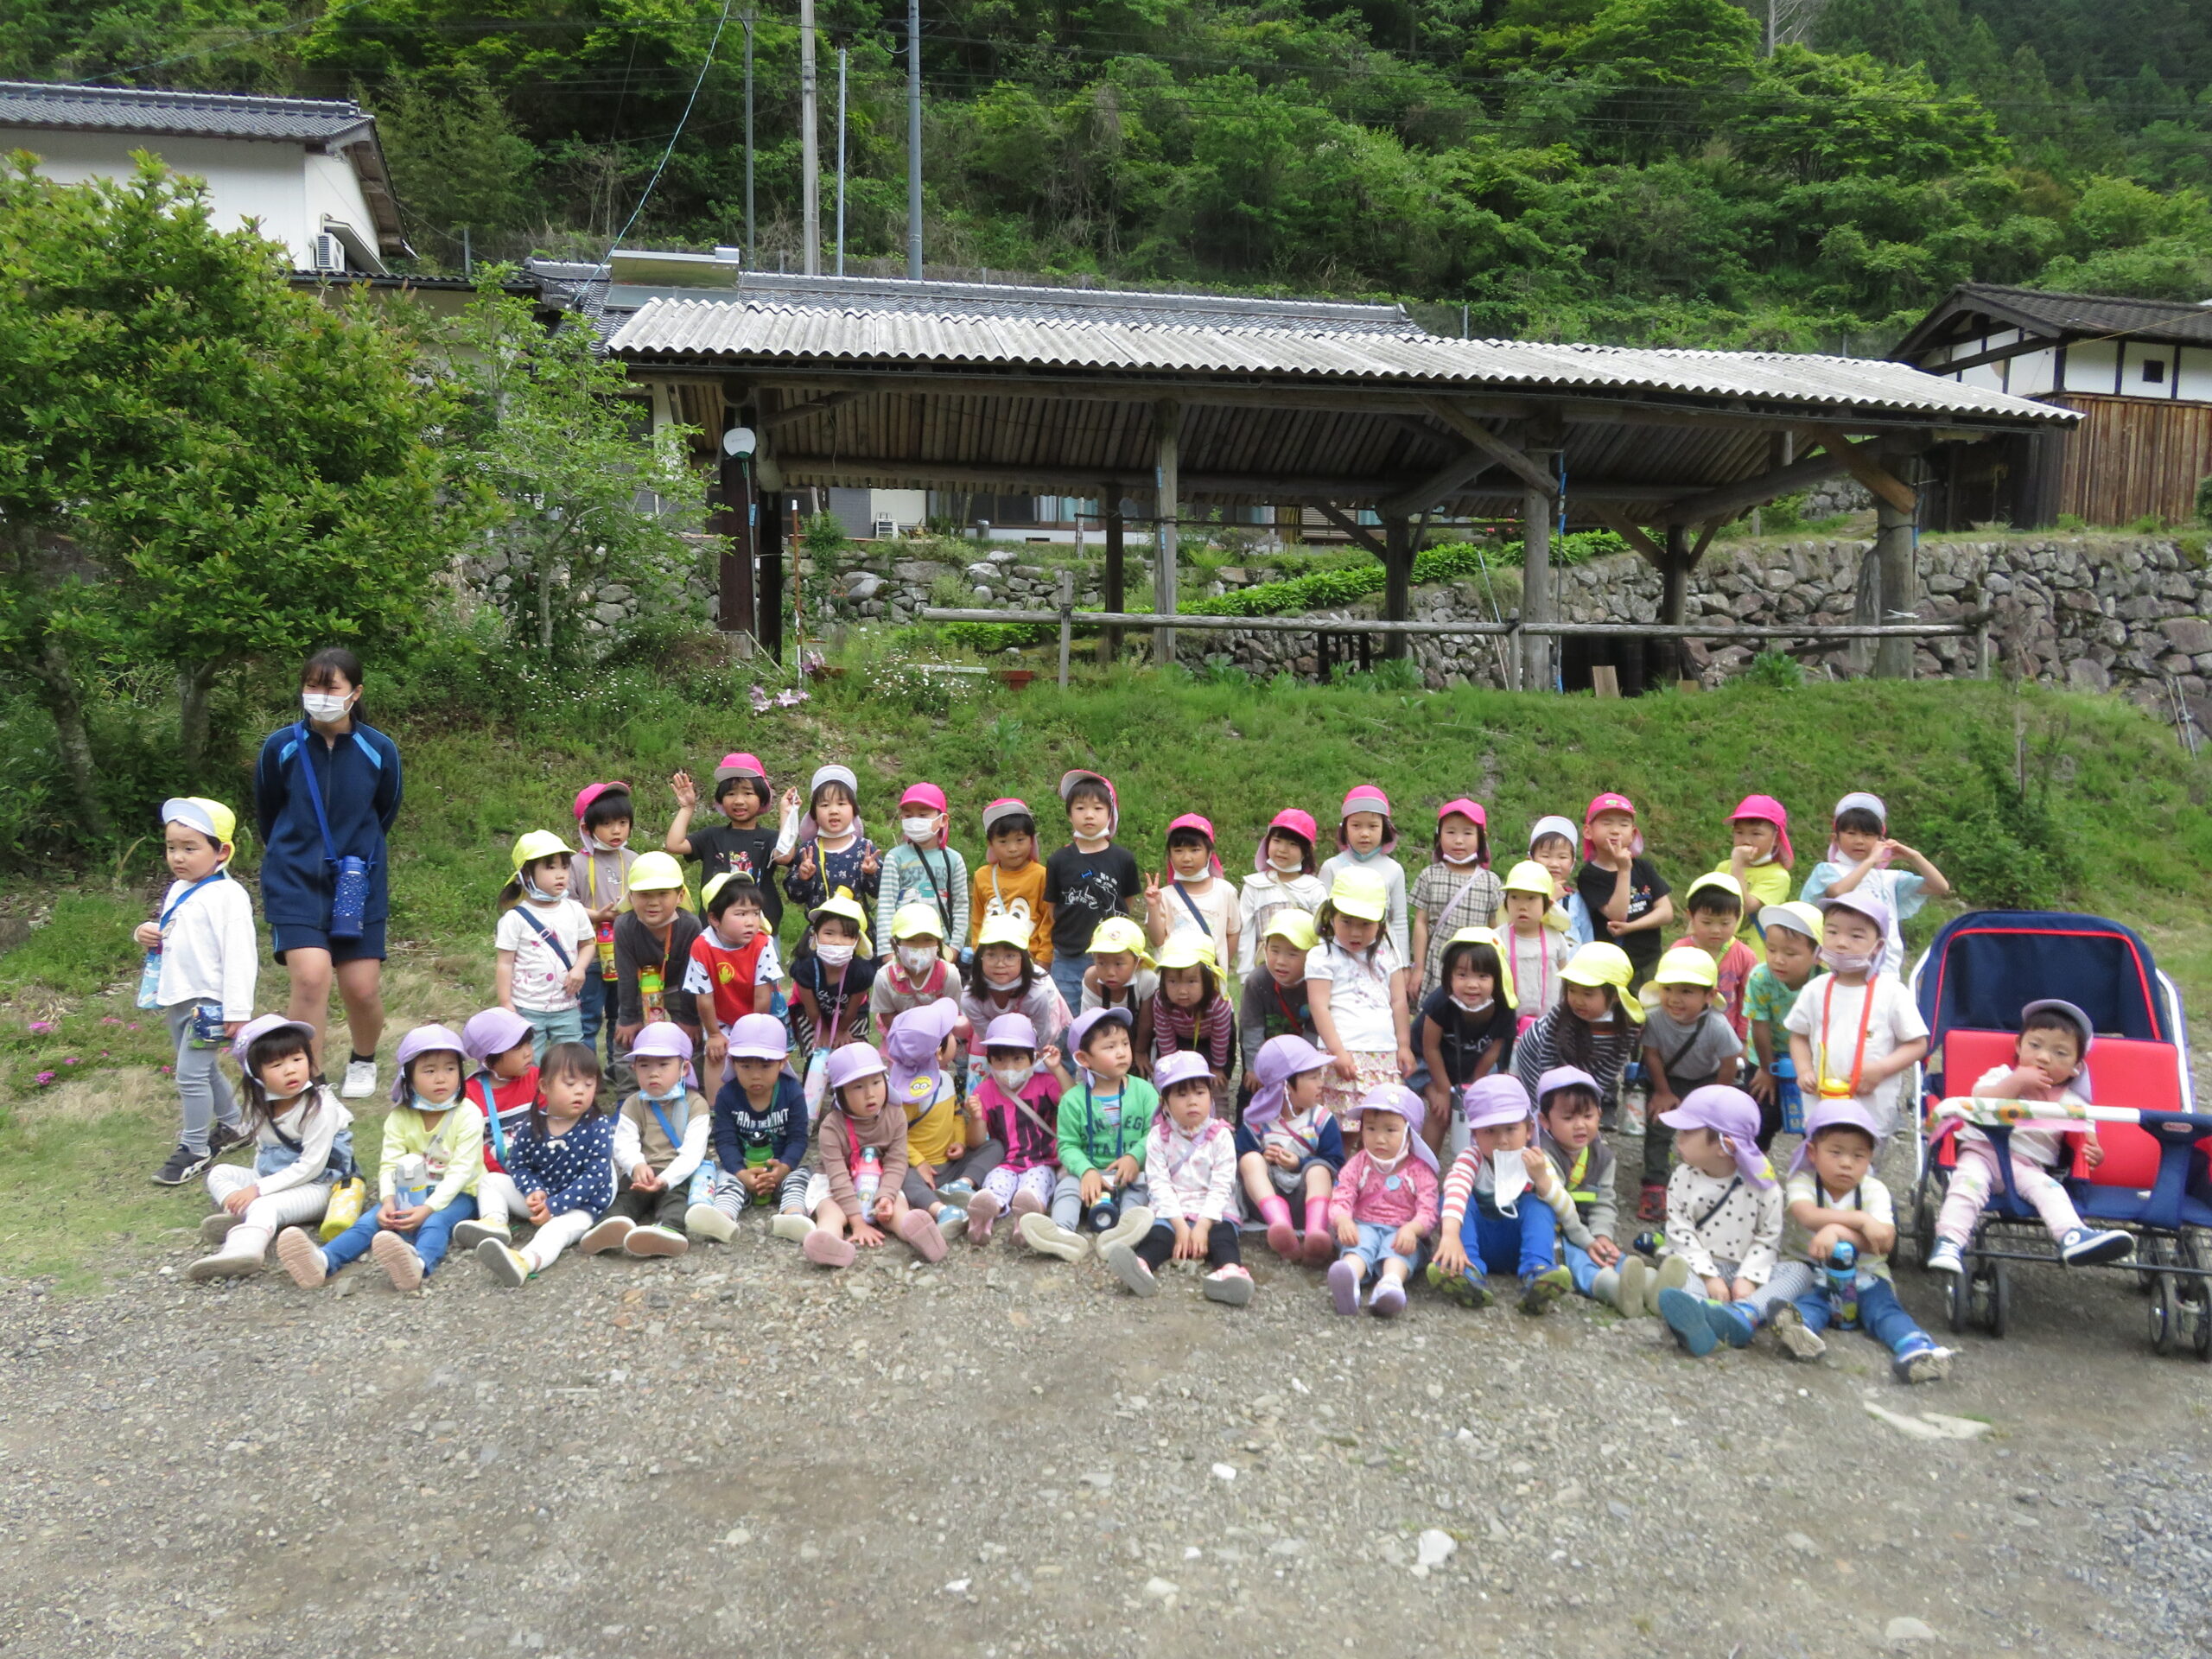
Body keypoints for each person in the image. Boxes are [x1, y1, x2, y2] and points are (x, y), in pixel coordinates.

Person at [1692, 1097, 1954, 1382]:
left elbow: (1884, 1242)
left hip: (1866, 1276)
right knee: (1806, 1306)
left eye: (1858, 1156)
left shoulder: (1873, 1190)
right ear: (1813, 1152)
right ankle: (1800, 1334)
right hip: (1810, 1273)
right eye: (1836, 1152)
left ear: (1870, 1158)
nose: (1846, 1163)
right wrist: (1861, 1222)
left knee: (1885, 1312)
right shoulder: (1802, 1180)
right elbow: (1807, 1215)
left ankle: (1917, 1348)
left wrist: (1838, 1232)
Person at [253, 646, 401, 1099]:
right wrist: (296, 851)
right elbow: (267, 810)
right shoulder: (281, 746)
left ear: (354, 693)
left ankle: (363, 1058)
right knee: (311, 977)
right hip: (294, 878)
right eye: (311, 686)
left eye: (330, 687)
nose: (319, 695)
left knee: (360, 989)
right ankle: (309, 1078)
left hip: (358, 880)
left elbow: (386, 810)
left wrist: (356, 855)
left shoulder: (378, 750)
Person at [1927, 999, 2133, 1273]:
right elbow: (1980, 1100)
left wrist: (2095, 1154)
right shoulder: (2000, 1076)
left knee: (2053, 1192)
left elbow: (2088, 1140)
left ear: (2076, 1067)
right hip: (1981, 1153)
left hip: (2028, 1166)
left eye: (2060, 1053)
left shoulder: (2074, 1103)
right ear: (2018, 1047)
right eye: (2035, 1046)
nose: (2044, 1057)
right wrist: (2018, 1082)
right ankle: (1950, 1242)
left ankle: (2072, 1236)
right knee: (1966, 1187)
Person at [276, 1023, 482, 1292]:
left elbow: (461, 1171)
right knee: (369, 1221)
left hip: (461, 1192)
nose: (441, 1078)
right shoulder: (400, 1116)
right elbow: (389, 1164)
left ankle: (418, 1264)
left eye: (450, 1069)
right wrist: (387, 1200)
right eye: (429, 1070)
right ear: (409, 1076)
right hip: (412, 1188)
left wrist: (427, 1208)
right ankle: (323, 1260)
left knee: (435, 1223)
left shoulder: (468, 1114)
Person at [138, 797, 256, 1185]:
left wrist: (237, 1010)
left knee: (189, 1074)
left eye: (190, 848)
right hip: (178, 995)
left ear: (221, 851)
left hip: (212, 1001)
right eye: (172, 847)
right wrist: (145, 933)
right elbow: (177, 935)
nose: (178, 857)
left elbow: (241, 956)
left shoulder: (229, 896)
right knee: (200, 1070)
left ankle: (195, 1148)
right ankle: (236, 1125)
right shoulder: (178, 889)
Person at [189, 1015, 353, 1280]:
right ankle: (245, 1217)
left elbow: (312, 1166)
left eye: (297, 1060)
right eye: (277, 1064)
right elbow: (263, 1149)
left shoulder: (320, 1107)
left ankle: (244, 1251)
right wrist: (254, 1185)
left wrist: (258, 1190)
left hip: (321, 1186)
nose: (290, 1070)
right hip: (275, 1178)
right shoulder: (260, 1105)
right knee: (219, 1173)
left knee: (265, 1204)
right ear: (256, 1074)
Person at [1101, 1050, 1254, 1306]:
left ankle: (1230, 1272)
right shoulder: (1158, 1137)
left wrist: (1203, 1225)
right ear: (1165, 1102)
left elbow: (1222, 1185)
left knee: (1223, 1236)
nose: (1192, 1101)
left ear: (1210, 1095)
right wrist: (1181, 1226)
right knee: (1160, 1235)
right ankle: (1141, 1266)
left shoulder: (1221, 1136)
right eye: (1181, 1095)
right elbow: (1158, 1184)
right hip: (1173, 1208)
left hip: (1213, 1209)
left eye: (1200, 1092)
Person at [1783, 893, 1929, 1141]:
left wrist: (1882, 1069)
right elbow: (1798, 1035)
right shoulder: (1815, 989)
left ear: (1878, 947)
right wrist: (1804, 1069)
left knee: (1862, 1169)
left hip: (1870, 1107)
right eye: (1832, 932)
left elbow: (1918, 1044)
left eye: (1856, 936)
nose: (1841, 943)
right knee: (1823, 1161)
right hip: (1821, 1103)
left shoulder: (1892, 992)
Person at [1649, 1085, 1783, 1356]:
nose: (1679, 1138)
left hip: (1744, 1270)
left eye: (1687, 1132)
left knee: (1798, 1272)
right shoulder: (1682, 1177)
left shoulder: (1765, 1187)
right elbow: (1680, 1232)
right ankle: (1700, 1317)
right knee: (1677, 1268)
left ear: (1725, 1145)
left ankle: (1746, 1312)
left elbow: (1769, 1238)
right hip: (1698, 1266)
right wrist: (1709, 1277)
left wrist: (1747, 1278)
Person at [474, 1042, 619, 1287]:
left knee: (554, 1232)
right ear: (544, 1087)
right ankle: (495, 1223)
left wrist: (556, 1206)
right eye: (570, 1084)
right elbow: (518, 1164)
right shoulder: (532, 1126)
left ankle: (524, 1262)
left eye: (589, 1084)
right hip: (544, 1197)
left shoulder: (598, 1125)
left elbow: (594, 1178)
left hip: (582, 1205)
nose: (580, 1091)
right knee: (490, 1181)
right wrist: (533, 1190)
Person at [1018, 1006, 1156, 1260]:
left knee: (1141, 1190)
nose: (1122, 1052)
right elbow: (1067, 1146)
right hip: (1087, 1175)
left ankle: (1125, 1233)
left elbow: (1156, 1134)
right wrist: (1086, 1171)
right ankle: (1062, 1233)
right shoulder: (1073, 1100)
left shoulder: (1145, 1092)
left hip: (1128, 1173)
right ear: (1083, 1059)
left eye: (1125, 1043)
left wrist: (1135, 1157)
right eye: (1110, 1047)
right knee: (1067, 1188)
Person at [1431, 1075, 1573, 1314]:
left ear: (1529, 1130)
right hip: (1477, 1243)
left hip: (1519, 1247)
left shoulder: (1536, 1160)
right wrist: (1450, 1235)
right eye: (1490, 1131)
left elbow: (1567, 1211)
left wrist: (1542, 1181)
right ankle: (1466, 1271)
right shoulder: (1471, 1158)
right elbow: (1455, 1186)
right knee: (1451, 1199)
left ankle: (1538, 1272)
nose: (1502, 1140)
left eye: (1511, 1128)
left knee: (1539, 1204)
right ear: (1475, 1135)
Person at [799, 1042, 948, 1267]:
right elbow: (838, 1177)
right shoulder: (831, 1127)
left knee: (895, 1209)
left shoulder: (895, 1114)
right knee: (831, 1212)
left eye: (877, 1082)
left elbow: (897, 1160)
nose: (870, 1093)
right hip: (838, 1185)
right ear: (840, 1093)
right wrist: (857, 1222)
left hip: (879, 1179)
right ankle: (827, 1242)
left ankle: (916, 1232)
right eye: (857, 1087)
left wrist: (886, 1196)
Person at [584, 1021, 715, 1257]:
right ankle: (609, 1228)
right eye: (644, 1065)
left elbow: (693, 1154)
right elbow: (624, 1143)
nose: (653, 1073)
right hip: (642, 1174)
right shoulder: (634, 1103)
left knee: (676, 1201)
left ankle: (669, 1231)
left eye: (664, 1065)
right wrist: (636, 1165)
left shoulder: (696, 1105)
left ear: (684, 1068)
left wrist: (664, 1179)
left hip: (677, 1174)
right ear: (634, 1068)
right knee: (625, 1197)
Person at [1637, 944, 1745, 1223]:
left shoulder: (1717, 1025)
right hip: (1667, 1077)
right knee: (1659, 1126)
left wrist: (1713, 1101)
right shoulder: (1654, 1019)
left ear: (1709, 996)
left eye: (1686, 991)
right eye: (1668, 989)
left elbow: (1729, 1062)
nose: (1674, 999)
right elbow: (1651, 1054)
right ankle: (1655, 1183)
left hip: (1707, 1080)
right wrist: (1662, 1092)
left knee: (1705, 1132)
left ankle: (1704, 1178)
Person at [1306, 866, 1413, 1132]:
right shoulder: (1323, 956)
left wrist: (1404, 1045)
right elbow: (1319, 1006)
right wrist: (1337, 1052)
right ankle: (1341, 1173)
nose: (1355, 933)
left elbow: (1399, 1001)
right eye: (1347, 922)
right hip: (1345, 1052)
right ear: (1331, 917)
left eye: (1366, 924)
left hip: (1384, 1054)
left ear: (1381, 923)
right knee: (1343, 1126)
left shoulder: (1389, 953)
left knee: (1381, 1123)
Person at [1799, 791, 1952, 976]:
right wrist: (1871, 861)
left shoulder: (1889, 879)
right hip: (1838, 967)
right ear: (1835, 838)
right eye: (1851, 833)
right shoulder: (1827, 871)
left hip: (1886, 969)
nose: (1859, 841)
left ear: (1881, 840)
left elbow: (1940, 886)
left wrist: (1914, 856)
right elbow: (1838, 891)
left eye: (1868, 835)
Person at [1326, 1084, 1440, 1319]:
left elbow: (1428, 1209)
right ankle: (1349, 1278)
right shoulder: (1359, 1163)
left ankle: (1390, 1284)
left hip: (1402, 1231)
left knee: (1396, 1250)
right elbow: (1342, 1193)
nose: (1379, 1138)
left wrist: (1413, 1229)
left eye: (1390, 1130)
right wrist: (1342, 1219)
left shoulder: (1420, 1171)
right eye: (1370, 1128)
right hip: (1363, 1225)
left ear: (1409, 1134)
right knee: (1359, 1244)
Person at [703, 1013, 816, 1243]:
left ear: (782, 1062)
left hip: (781, 1167)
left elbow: (798, 1138)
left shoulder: (792, 1092)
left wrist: (783, 1168)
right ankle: (723, 1218)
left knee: (802, 1177)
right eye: (745, 1066)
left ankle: (793, 1215)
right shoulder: (727, 1095)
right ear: (732, 1061)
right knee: (725, 1180)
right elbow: (724, 1141)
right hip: (743, 1168)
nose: (756, 1075)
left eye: (765, 1066)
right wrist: (742, 1173)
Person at [886, 998, 990, 1237]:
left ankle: (962, 1185)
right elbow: (894, 1135)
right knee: (896, 1174)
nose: (957, 1039)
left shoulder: (945, 1079)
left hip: (951, 1162)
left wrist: (960, 1141)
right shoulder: (907, 1094)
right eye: (952, 1036)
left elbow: (955, 1115)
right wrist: (919, 1162)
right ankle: (941, 1210)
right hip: (920, 1170)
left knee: (993, 1146)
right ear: (939, 1051)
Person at [962, 1012, 1067, 1245]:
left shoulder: (1045, 1083)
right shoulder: (984, 1091)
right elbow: (976, 1143)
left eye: (1018, 1059)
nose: (1009, 1067)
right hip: (1005, 1163)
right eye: (1000, 1060)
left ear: (1033, 1058)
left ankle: (1025, 1220)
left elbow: (1071, 1101)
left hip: (1041, 1160)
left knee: (1033, 1188)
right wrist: (977, 1118)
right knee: (994, 1185)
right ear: (990, 1061)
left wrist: (1057, 1069)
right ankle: (983, 1217)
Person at [1236, 1032, 1341, 1263]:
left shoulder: (1322, 1119)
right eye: (1313, 1077)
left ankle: (1316, 1231)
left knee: (1319, 1170)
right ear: (1285, 1087)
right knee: (1249, 1160)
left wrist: (1299, 1163)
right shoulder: (1257, 1121)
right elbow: (1238, 1158)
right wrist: (1263, 1157)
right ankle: (1279, 1223)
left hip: (1308, 1201)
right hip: (1265, 1201)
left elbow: (1336, 1163)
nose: (1320, 1084)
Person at [1043, 770, 1143, 1014]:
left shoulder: (1123, 859)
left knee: (1112, 1018)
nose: (1089, 815)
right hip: (1069, 956)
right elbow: (1052, 907)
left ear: (1110, 814)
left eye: (1098, 808)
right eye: (1080, 808)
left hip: (1113, 956)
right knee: (1067, 1019)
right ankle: (1068, 1055)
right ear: (1069, 815)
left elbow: (1126, 902)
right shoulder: (1058, 860)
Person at [1533, 1065, 1630, 1310]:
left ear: (1599, 1113)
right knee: (1576, 1259)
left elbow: (1604, 1201)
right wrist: (1587, 1241)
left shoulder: (1604, 1157)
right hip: (1557, 1232)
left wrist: (1602, 1236)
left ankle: (1649, 1285)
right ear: (1545, 1121)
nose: (1580, 1126)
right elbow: (1560, 1206)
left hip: (1586, 1231)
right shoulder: (1542, 1155)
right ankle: (1612, 1289)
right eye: (1568, 1118)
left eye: (1588, 1116)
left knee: (1614, 1256)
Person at [1414, 927, 1517, 1151]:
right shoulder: (1440, 1002)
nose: (1472, 984)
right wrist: (1442, 1090)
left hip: (1475, 1062)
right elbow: (1430, 1048)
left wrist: (1475, 1083)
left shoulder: (1504, 1007)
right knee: (1440, 1112)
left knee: (1483, 1108)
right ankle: (1424, 1171)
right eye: (1462, 975)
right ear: (1449, 976)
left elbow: (1495, 1049)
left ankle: (1480, 1169)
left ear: (1498, 977)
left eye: (1483, 976)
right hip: (1429, 1061)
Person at [495, 830, 596, 1059]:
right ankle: (533, 1096)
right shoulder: (515, 918)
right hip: (527, 1007)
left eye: (564, 867)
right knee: (530, 1062)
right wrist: (506, 1003)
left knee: (570, 1059)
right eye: (550, 868)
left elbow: (588, 943)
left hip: (567, 1006)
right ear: (527, 875)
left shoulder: (575, 910)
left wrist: (580, 968)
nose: (561, 875)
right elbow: (504, 964)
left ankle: (568, 1095)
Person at [1510, 941, 1644, 1108]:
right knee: (1544, 1104)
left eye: (1588, 994)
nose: (1578, 1001)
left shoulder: (1628, 1024)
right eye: (1572, 990)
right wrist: (1555, 1089)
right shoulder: (1561, 1015)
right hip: (1536, 1053)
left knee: (1579, 1105)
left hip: (1583, 1065)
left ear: (1616, 996)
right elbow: (1548, 1055)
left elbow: (1613, 1064)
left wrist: (1591, 1092)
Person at [450, 1005, 541, 1249]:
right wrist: (498, 1171)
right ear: (488, 1056)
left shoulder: (539, 1079)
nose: (528, 1053)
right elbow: (472, 1145)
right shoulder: (471, 1093)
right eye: (517, 1047)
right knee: (486, 1181)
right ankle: (494, 1223)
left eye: (528, 1044)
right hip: (507, 1179)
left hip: (545, 1176)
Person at [666, 754, 785, 932]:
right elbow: (674, 845)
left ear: (762, 798)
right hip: (715, 928)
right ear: (721, 800)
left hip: (760, 930)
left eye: (748, 793)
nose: (739, 801)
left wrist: (786, 814)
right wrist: (687, 808)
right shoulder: (712, 836)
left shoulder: (770, 838)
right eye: (731, 794)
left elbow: (785, 856)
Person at [1741, 901, 1823, 1147]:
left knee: (1815, 1125)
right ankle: (1751, 1175)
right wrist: (1767, 1070)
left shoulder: (1824, 980)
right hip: (1766, 1056)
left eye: (1790, 953)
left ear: (1817, 954)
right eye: (1771, 949)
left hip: (1811, 1060)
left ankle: (1815, 1178)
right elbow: (1760, 1026)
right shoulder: (1760, 977)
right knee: (1759, 1121)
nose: (1778, 960)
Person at [685, 874, 782, 1079]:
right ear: (714, 918)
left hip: (759, 1016)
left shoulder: (763, 944)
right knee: (716, 1054)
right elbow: (704, 997)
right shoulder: (702, 946)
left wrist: (754, 1034)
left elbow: (762, 997)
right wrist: (713, 1034)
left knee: (756, 1059)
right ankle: (714, 1108)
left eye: (755, 913)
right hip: (720, 1017)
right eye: (740, 914)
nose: (750, 922)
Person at [571, 781, 639, 1067]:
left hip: (626, 954)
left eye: (623, 823)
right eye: (608, 824)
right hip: (590, 954)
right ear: (587, 828)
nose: (616, 831)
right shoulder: (575, 864)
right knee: (587, 1017)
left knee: (622, 1014)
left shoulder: (634, 860)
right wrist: (595, 916)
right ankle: (587, 1071)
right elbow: (565, 906)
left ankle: (617, 1068)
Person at [1574, 791, 1672, 988]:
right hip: (1613, 967)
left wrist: (1632, 927)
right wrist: (1624, 870)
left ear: (1633, 834)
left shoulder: (1643, 867)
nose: (1615, 830)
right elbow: (1617, 916)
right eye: (1607, 823)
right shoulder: (1590, 875)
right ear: (1588, 831)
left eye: (1623, 824)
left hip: (1649, 960)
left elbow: (1666, 913)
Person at [612, 850, 703, 1059]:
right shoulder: (624, 925)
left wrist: (690, 1018)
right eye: (644, 894)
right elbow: (625, 976)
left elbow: (690, 975)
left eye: (663, 894)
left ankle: (692, 1083)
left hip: (679, 988)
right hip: (638, 985)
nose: (653, 902)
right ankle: (627, 1088)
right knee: (626, 1034)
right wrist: (628, 1018)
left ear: (680, 895)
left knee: (692, 1034)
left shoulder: (690, 925)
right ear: (631, 896)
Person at [959, 914, 1071, 1083]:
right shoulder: (971, 998)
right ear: (980, 957)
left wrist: (1026, 1061)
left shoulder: (1038, 992)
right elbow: (988, 1037)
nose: (1000, 963)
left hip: (1042, 1031)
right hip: (999, 1032)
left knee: (1041, 1073)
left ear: (1023, 959)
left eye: (1010, 956)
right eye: (991, 955)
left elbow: (1044, 1035)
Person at [1413, 798, 1502, 1001]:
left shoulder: (1491, 882)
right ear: (1439, 835)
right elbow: (1421, 923)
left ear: (1481, 838)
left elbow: (1497, 929)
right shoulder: (1430, 875)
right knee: (1435, 1017)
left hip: (1476, 970)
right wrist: (1418, 968)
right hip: (1437, 964)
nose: (1459, 840)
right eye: (1450, 832)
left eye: (1468, 833)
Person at [873, 782, 969, 959]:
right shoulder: (895, 857)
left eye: (923, 815)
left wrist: (955, 948)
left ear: (943, 820)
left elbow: (961, 906)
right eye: (908, 815)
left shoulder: (953, 860)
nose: (915, 820)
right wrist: (887, 951)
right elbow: (886, 905)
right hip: (903, 945)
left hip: (941, 946)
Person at [1317, 785, 1409, 964]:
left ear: (1385, 828)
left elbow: (1399, 920)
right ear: (1344, 829)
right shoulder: (1332, 867)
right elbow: (1322, 918)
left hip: (1381, 957)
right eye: (1356, 826)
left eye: (1373, 826)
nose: (1365, 833)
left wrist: (1403, 963)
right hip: (1339, 956)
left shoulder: (1394, 869)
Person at [782, 764, 882, 920]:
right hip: (819, 934)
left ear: (854, 809)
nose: (833, 810)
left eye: (841, 804)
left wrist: (872, 873)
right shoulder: (808, 851)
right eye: (825, 805)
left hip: (856, 934)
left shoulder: (864, 849)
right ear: (814, 813)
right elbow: (795, 896)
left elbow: (879, 892)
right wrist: (803, 877)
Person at [788, 890, 876, 1065]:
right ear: (816, 936)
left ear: (857, 941)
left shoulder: (861, 972)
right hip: (811, 1014)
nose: (837, 941)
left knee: (854, 1055)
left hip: (851, 1016)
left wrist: (842, 1031)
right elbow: (811, 1009)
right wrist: (823, 1032)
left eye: (846, 936)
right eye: (829, 933)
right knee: (816, 1055)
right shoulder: (806, 967)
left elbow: (853, 1009)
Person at [1147, 935, 1235, 1109]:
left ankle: (1219, 1111)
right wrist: (1171, 1067)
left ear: (1209, 979)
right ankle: (1171, 1108)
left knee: (1216, 1079)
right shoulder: (1161, 1000)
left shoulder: (1219, 1003)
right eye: (1172, 981)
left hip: (1212, 1041)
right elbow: (1165, 1038)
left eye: (1191, 981)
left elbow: (1220, 1039)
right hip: (1180, 1038)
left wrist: (1217, 1068)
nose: (1182, 991)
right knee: (1175, 1076)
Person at [1144, 811, 1239, 969]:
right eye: (1178, 850)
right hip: (1172, 978)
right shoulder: (1163, 896)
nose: (1186, 858)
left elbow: (1233, 932)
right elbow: (1157, 941)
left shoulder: (1225, 891)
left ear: (1209, 853)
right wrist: (1153, 906)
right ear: (1169, 855)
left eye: (1195, 850)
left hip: (1210, 980)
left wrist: (1222, 969)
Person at [1236, 809, 1326, 975]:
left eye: (1293, 844)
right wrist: (1246, 975)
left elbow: (1323, 935)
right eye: (1277, 841)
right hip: (1264, 968)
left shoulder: (1314, 889)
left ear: (1306, 851)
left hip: (1305, 971)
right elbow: (1246, 934)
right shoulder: (1254, 886)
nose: (1282, 849)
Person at [1237, 911, 1316, 1095]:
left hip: (1300, 1055)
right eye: (1274, 950)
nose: (1281, 961)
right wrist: (1253, 1067)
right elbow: (1251, 1028)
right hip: (1262, 1052)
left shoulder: (1316, 984)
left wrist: (1302, 1069)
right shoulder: (1257, 981)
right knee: (1252, 1092)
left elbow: (1314, 1031)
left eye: (1292, 953)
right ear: (1265, 949)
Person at [969, 798, 1052, 972]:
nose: (1013, 848)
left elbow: (1048, 920)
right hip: (992, 962)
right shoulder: (982, 876)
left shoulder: (1041, 875)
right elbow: (977, 920)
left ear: (1031, 840)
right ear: (990, 844)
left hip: (1029, 961)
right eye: (1003, 842)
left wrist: (1044, 957)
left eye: (1020, 840)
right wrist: (978, 953)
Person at [1672, 873, 1757, 1038]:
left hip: (1727, 1036)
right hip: (1684, 1033)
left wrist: (1743, 1038)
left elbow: (1748, 1000)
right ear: (1690, 916)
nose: (1716, 930)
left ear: (1738, 917)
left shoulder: (1745, 956)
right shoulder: (1679, 951)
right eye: (1707, 922)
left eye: (1725, 923)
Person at [1496, 860, 1574, 1034]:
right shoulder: (1497, 938)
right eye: (1514, 897)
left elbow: (1565, 975)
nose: (1522, 906)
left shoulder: (1555, 938)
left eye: (1531, 898)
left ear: (1547, 904)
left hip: (1550, 1024)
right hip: (1508, 1026)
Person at [1719, 794, 1794, 956]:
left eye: (1756, 834)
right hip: (1719, 952)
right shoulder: (1723, 867)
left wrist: (1737, 865)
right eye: (1739, 832)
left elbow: (1745, 907)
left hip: (1754, 958)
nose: (1746, 840)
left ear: (1775, 838)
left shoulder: (1777, 876)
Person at [872, 903, 961, 1030]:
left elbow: (952, 1012)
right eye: (911, 940)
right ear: (895, 943)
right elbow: (887, 1015)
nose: (920, 947)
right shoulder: (884, 977)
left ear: (938, 943)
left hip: (939, 1036)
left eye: (928, 940)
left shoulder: (949, 975)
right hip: (899, 1036)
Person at [1080, 916, 1158, 1049]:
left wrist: (1140, 1052)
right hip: (1102, 1043)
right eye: (1102, 963)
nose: (1110, 972)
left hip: (1139, 1041)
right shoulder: (1092, 979)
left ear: (1138, 963)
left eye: (1119, 963)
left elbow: (1146, 1023)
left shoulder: (1147, 979)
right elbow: (1088, 1022)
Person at [1526, 816, 1593, 949]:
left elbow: (1588, 942)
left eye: (1562, 857)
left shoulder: (1576, 901)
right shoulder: (1521, 895)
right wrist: (1552, 899)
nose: (1554, 864)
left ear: (1572, 862)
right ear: (1531, 859)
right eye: (1545, 856)